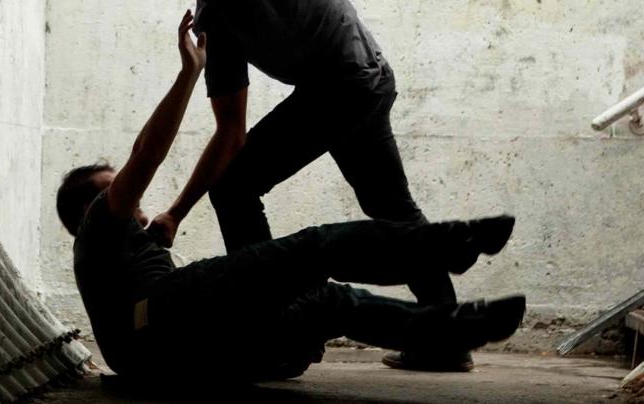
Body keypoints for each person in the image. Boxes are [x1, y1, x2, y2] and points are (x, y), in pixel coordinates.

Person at [56, 11, 526, 383]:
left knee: (329, 302)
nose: (131, 198)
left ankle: (451, 331)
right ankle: (449, 245)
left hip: (183, 352)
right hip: (157, 322)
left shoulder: (121, 255)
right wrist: (190, 73)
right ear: (87, 210)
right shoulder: (97, 230)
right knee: (313, 249)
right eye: (113, 188)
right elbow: (147, 153)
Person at [146, 0, 488, 372]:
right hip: (369, 77)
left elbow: (231, 133)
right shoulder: (218, 15)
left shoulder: (217, 13)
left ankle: (277, 335)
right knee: (393, 210)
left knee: (233, 186)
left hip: (339, 87)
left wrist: (176, 213)